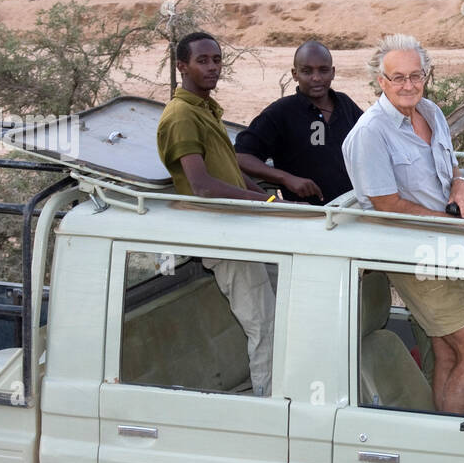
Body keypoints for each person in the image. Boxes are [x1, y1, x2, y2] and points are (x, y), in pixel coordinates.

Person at [342, 33, 464, 415]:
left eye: (416, 75)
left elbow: (450, 162)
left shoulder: (432, 112)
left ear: (426, 76)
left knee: (446, 351)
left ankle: (438, 436)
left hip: (449, 246)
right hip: (417, 260)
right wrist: (449, 225)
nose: (408, 85)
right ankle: (450, 440)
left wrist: (460, 182)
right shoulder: (369, 134)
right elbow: (386, 204)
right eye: (398, 78)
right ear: (381, 81)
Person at [156, 30, 275, 396]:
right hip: (225, 238)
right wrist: (261, 205)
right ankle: (271, 410)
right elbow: (203, 186)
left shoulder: (204, 108)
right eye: (202, 61)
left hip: (243, 229)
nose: (212, 68)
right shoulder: (181, 117)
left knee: (280, 319)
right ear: (182, 66)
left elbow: (232, 172)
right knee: (265, 328)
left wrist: (275, 206)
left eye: (217, 60)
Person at [234, 40, 363, 204]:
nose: (316, 78)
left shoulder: (345, 104)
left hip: (354, 206)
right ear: (295, 74)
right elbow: (240, 156)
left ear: (333, 72)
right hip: (308, 215)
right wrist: (286, 178)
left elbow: (370, 142)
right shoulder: (280, 112)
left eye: (323, 70)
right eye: (307, 71)